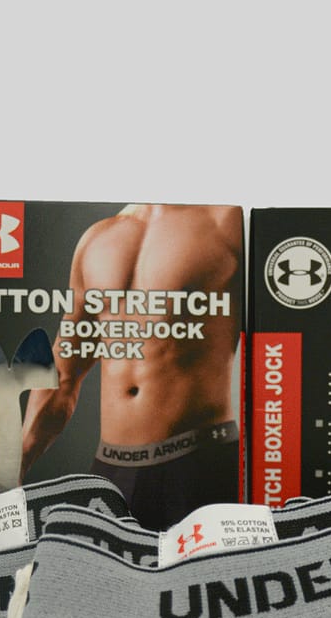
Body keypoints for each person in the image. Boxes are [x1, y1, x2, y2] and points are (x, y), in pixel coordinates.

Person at [20, 203, 243, 530]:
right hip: (110, 471)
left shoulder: (228, 221)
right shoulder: (98, 237)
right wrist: (14, 469)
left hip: (198, 464)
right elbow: (64, 370)